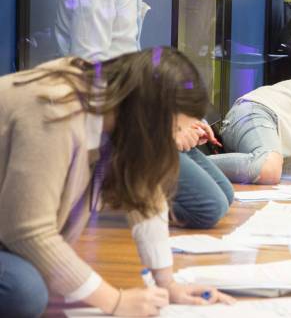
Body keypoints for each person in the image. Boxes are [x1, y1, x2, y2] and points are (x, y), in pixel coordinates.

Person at [0, 48, 234, 317]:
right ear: (148, 119)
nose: (174, 141)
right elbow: (28, 232)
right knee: (24, 289)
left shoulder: (109, 104)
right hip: (11, 237)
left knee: (42, 279)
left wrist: (167, 284)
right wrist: (115, 302)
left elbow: (145, 192)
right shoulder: (54, 110)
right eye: (174, 129)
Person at [54, 0, 232, 228]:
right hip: (109, 124)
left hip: (134, 111)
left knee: (224, 194)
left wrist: (172, 116)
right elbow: (90, 73)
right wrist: (160, 128)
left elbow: (126, 68)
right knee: (208, 208)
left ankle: (146, 178)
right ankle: (121, 193)